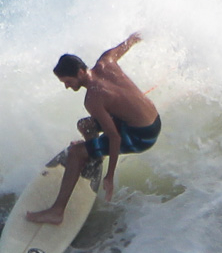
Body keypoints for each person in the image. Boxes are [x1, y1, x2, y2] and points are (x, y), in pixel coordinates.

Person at [26, 32, 161, 224]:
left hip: (141, 136)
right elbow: (129, 42)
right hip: (153, 120)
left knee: (75, 152)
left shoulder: (93, 98)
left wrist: (109, 176)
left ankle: (56, 212)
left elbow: (115, 138)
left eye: (68, 82)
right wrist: (142, 34)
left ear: (81, 73)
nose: (67, 87)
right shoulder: (107, 61)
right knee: (85, 125)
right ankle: (94, 154)